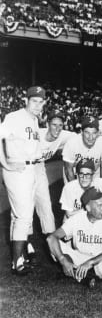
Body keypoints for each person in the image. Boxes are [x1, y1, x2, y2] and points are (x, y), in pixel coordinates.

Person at [0, 86, 46, 274]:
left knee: (18, 214)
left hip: (31, 168)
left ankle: (22, 254)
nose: (37, 104)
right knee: (24, 216)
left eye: (40, 101)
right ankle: (17, 262)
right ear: (26, 101)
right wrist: (5, 165)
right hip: (17, 168)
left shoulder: (34, 120)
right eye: (34, 100)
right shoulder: (14, 117)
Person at [47, 187, 102, 288]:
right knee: (53, 244)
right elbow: (51, 238)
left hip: (99, 260)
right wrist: (62, 259)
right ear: (88, 207)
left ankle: (77, 274)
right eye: (99, 205)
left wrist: (90, 263)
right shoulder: (76, 219)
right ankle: (81, 274)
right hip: (79, 257)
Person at [33, 109, 75, 237]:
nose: (57, 128)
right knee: (24, 209)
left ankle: (51, 239)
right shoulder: (36, 134)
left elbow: (81, 136)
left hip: (39, 168)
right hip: (24, 168)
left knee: (45, 204)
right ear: (47, 124)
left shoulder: (63, 135)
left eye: (60, 125)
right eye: (54, 125)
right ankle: (24, 243)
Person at [62, 116, 102, 182]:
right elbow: (68, 170)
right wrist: (74, 189)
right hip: (74, 176)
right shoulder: (71, 143)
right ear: (81, 132)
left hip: (94, 175)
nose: (90, 137)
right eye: (87, 133)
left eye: (94, 133)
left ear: (98, 133)